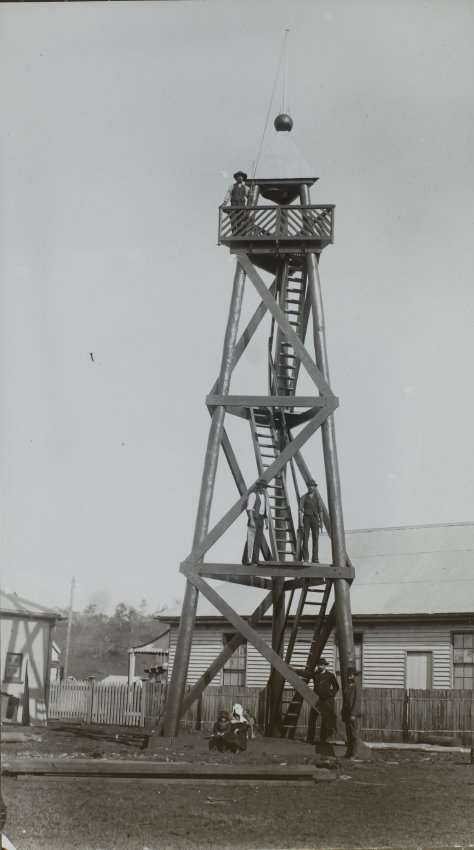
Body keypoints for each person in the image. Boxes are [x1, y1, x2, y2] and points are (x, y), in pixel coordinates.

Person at [312, 657, 339, 743]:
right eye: (318, 665)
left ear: (324, 666)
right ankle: (310, 737)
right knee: (312, 718)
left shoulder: (330, 675)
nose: (319, 667)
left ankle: (323, 739)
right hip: (315, 699)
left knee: (325, 720)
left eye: (321, 665)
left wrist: (331, 694)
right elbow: (306, 674)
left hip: (326, 700)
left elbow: (336, 686)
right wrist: (294, 670)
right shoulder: (315, 674)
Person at [242, 479, 268, 566]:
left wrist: (266, 522)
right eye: (261, 487)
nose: (263, 489)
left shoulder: (264, 496)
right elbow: (249, 509)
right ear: (258, 486)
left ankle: (255, 559)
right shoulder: (253, 495)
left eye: (264, 487)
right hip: (254, 518)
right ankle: (246, 560)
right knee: (250, 539)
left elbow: (265, 510)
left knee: (258, 540)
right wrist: (252, 520)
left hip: (261, 519)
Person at [298, 479, 323, 563]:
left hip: (315, 519)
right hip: (306, 518)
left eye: (312, 486)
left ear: (314, 487)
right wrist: (300, 521)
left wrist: (321, 522)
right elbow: (300, 510)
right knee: (305, 537)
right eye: (310, 486)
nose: (311, 487)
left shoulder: (318, 498)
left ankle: (315, 558)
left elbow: (320, 510)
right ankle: (305, 558)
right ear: (307, 487)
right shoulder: (304, 497)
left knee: (316, 537)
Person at [342, 667, 361, 758]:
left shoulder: (356, 686)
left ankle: (355, 753)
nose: (349, 677)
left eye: (351, 676)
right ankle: (349, 752)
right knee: (348, 734)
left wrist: (353, 714)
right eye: (348, 676)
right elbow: (345, 701)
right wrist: (343, 712)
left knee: (354, 734)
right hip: (346, 713)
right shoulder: (348, 686)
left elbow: (356, 701)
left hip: (352, 714)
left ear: (354, 676)